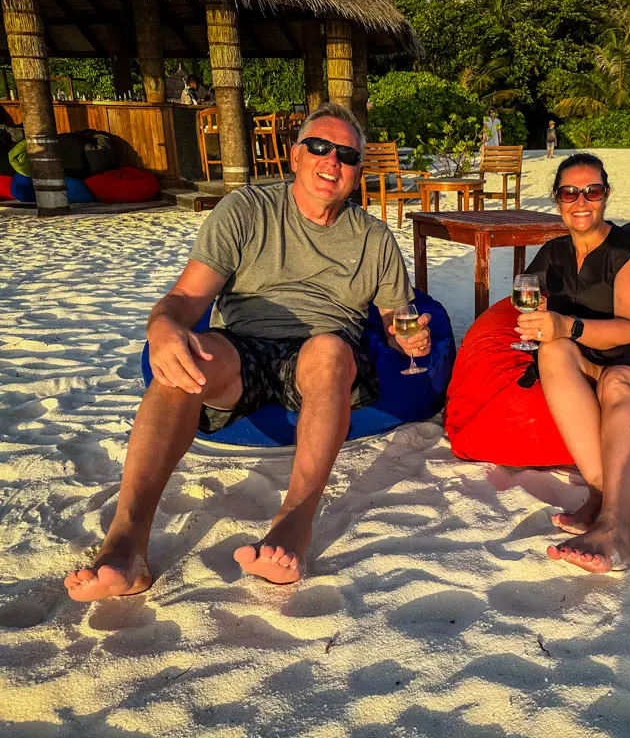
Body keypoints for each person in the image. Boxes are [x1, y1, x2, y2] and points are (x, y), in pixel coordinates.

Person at [64, 102, 431, 601]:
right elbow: (187, 297)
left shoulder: (373, 237)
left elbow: (395, 320)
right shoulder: (247, 210)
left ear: (358, 171)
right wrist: (161, 326)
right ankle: (126, 541)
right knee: (184, 362)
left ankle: (293, 524)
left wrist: (406, 337)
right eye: (319, 147)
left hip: (323, 354)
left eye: (346, 154)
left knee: (327, 350)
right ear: (295, 155)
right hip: (244, 349)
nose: (332, 160)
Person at [514, 153, 630, 574]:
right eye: (569, 192)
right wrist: (540, 324)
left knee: (617, 381)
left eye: (592, 191)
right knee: (551, 350)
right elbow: (531, 306)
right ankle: (600, 496)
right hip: (591, 354)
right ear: (557, 200)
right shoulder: (552, 254)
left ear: (606, 195)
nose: (581, 201)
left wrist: (564, 324)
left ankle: (616, 530)